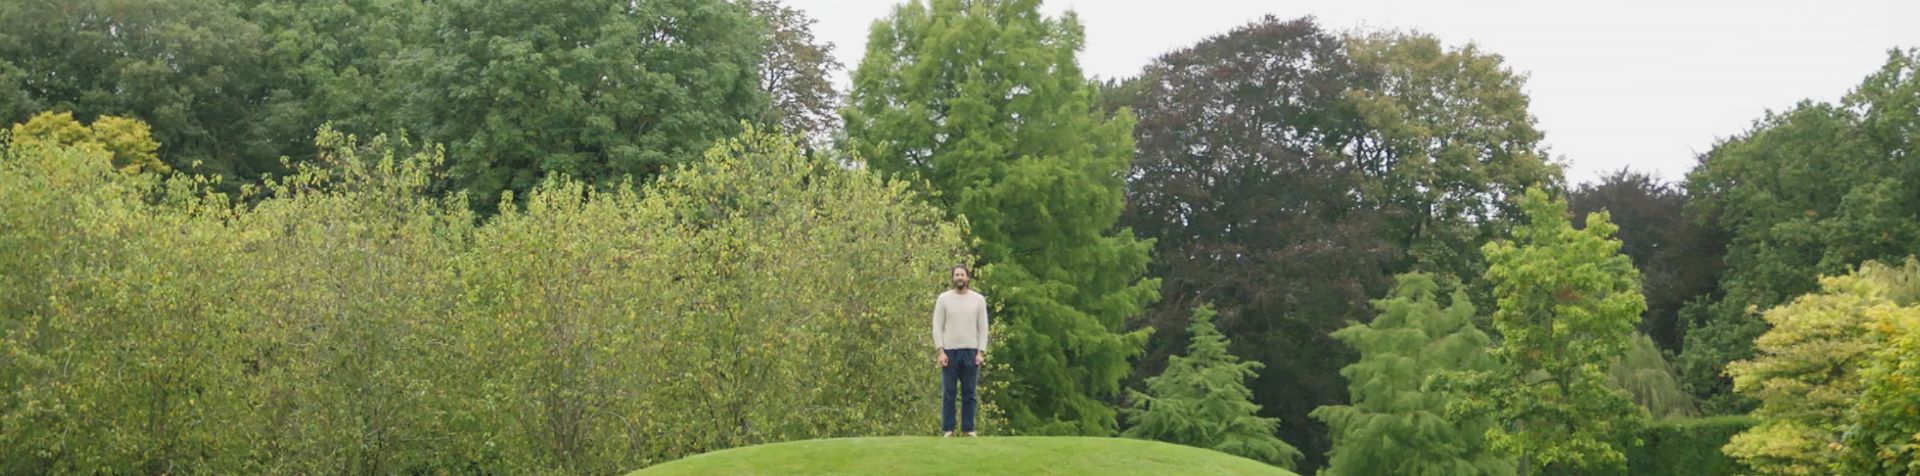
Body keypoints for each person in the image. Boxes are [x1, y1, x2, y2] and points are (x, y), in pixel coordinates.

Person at [932, 264, 988, 437]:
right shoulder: (944, 299)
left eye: (962, 274)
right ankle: (948, 429)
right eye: (956, 275)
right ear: (952, 278)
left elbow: (983, 327)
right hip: (949, 351)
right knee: (949, 392)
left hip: (971, 351)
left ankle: (968, 428)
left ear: (967, 277)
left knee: (969, 393)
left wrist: (981, 352)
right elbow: (937, 326)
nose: (959, 277)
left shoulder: (978, 300)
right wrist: (940, 351)